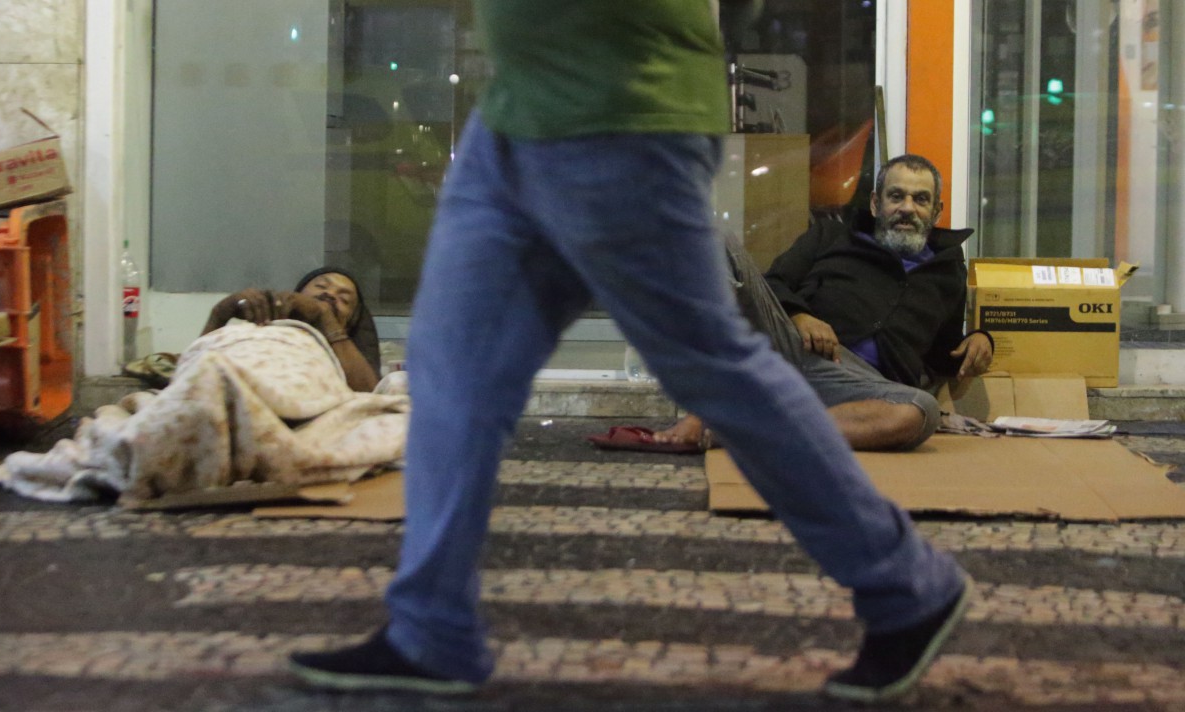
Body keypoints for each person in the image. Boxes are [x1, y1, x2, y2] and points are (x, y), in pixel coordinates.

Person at [288, 3, 971, 704]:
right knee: (452, 364)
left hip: (624, 107)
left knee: (713, 370)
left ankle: (904, 588)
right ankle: (429, 629)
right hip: (516, 113)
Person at [654, 155, 993, 452]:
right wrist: (799, 314)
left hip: (864, 387)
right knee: (717, 241)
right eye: (896, 196)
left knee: (922, 410)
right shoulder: (830, 236)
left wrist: (979, 339)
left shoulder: (948, 270)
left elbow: (940, 353)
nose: (907, 208)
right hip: (791, 349)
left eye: (920, 199)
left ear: (936, 211)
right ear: (876, 204)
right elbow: (775, 282)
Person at [202, 267, 382, 392]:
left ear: (349, 324)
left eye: (344, 299)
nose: (330, 294)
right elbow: (194, 372)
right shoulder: (260, 331)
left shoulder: (348, 361)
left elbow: (369, 396)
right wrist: (219, 315)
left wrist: (324, 317)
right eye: (321, 286)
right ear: (297, 296)